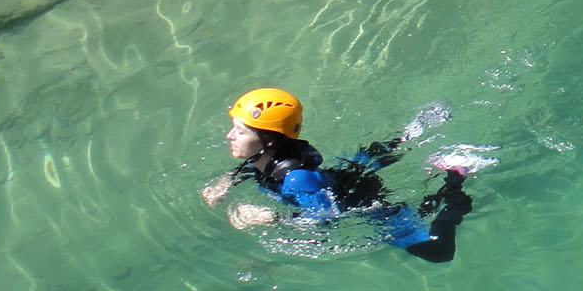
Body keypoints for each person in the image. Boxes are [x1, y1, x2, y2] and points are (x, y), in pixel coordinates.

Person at [203, 88, 488, 263]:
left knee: (437, 252)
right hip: (336, 180)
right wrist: (227, 181)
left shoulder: (297, 178)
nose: (229, 136)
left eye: (240, 132)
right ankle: (414, 131)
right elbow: (254, 168)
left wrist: (274, 219)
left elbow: (325, 220)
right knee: (359, 163)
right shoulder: (268, 153)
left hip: (363, 204)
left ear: (267, 140)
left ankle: (455, 176)